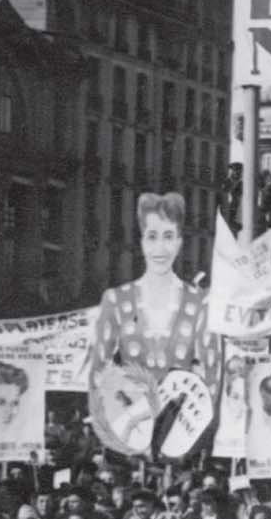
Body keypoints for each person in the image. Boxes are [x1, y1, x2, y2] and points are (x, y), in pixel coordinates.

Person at [87, 192, 218, 457]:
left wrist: (190, 438)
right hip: (129, 433)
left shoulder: (201, 301)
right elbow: (98, 373)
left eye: (169, 237)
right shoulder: (115, 299)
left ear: (180, 242)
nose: (160, 248)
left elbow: (212, 377)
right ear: (142, 242)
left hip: (181, 434)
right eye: (152, 236)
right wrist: (120, 430)